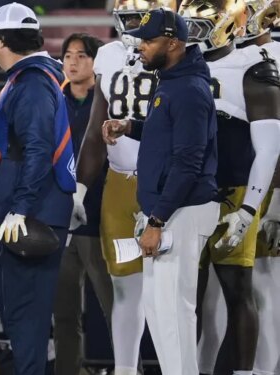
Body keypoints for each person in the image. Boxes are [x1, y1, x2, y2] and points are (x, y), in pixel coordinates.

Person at [102, 8, 220, 375]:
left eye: (150, 40)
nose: (142, 47)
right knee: (158, 309)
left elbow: (188, 163)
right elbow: (165, 133)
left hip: (181, 211)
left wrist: (157, 219)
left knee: (173, 310)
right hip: (170, 210)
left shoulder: (188, 89)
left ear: (172, 43)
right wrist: (129, 126)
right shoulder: (172, 80)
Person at [0, 3, 76, 373]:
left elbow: (39, 148)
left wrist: (21, 207)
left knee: (26, 321)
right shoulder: (32, 78)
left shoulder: (31, 82)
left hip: (29, 217)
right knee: (22, 320)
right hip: (25, 213)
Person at [178, 1, 280, 375]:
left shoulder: (254, 63)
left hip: (234, 191)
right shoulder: (179, 65)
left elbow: (270, 148)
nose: (189, 34)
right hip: (188, 193)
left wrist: (254, 207)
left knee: (241, 290)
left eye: (199, 26)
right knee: (189, 295)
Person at [74, 3, 173, 374]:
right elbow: (96, 126)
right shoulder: (109, 55)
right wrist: (80, 189)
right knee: (125, 290)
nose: (133, 24)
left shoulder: (176, 49)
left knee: (168, 291)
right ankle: (126, 370)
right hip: (118, 183)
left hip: (164, 183)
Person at [53, 32, 114, 375]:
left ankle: (127, 368)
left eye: (81, 56)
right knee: (64, 313)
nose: (72, 63)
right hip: (59, 223)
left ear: (95, 62)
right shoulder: (52, 101)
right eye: (67, 56)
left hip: (99, 219)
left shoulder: (106, 102)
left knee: (114, 308)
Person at [236, 2, 280, 373]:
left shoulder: (272, 57)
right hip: (237, 182)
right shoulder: (223, 57)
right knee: (230, 295)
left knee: (266, 290)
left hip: (270, 185)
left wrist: (277, 201)